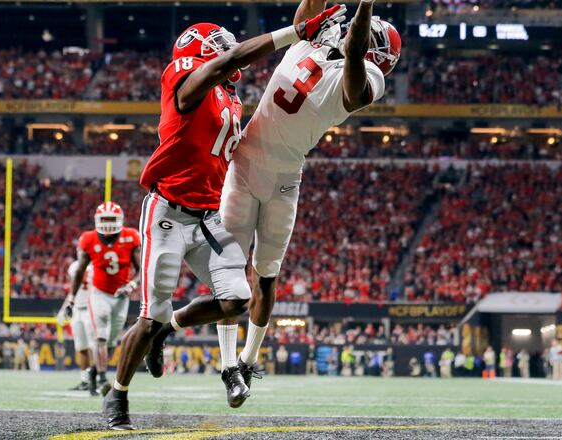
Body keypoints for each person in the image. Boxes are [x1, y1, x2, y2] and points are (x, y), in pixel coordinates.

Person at [104, 9, 347, 430]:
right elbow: (228, 61)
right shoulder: (183, 75)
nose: (227, 48)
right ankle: (118, 394)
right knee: (149, 314)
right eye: (217, 44)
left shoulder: (230, 98)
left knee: (236, 299)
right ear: (198, 51)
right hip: (167, 212)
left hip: (208, 217)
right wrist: (296, 32)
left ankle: (166, 329)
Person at [209, 0, 401, 405]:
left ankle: (248, 360)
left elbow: (354, 54)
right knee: (228, 270)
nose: (351, 28)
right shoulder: (317, 36)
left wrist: (366, 4)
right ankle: (228, 367)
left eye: (363, 30)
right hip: (243, 165)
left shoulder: (367, 76)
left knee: (266, 276)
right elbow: (307, 16)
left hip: (284, 178)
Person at [65, 202, 140, 397]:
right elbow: (80, 271)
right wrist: (71, 299)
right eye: (104, 219)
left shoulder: (130, 236)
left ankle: (93, 372)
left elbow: (141, 269)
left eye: (111, 219)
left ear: (120, 220)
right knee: (100, 338)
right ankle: (101, 378)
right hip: (99, 294)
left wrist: (132, 285)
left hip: (121, 296)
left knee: (112, 342)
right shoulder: (88, 239)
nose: (108, 223)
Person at [57, 255, 95, 393]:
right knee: (81, 347)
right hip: (77, 309)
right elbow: (72, 291)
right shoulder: (74, 266)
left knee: (94, 347)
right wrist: (63, 309)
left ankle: (96, 379)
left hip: (92, 309)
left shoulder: (96, 265)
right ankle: (85, 380)